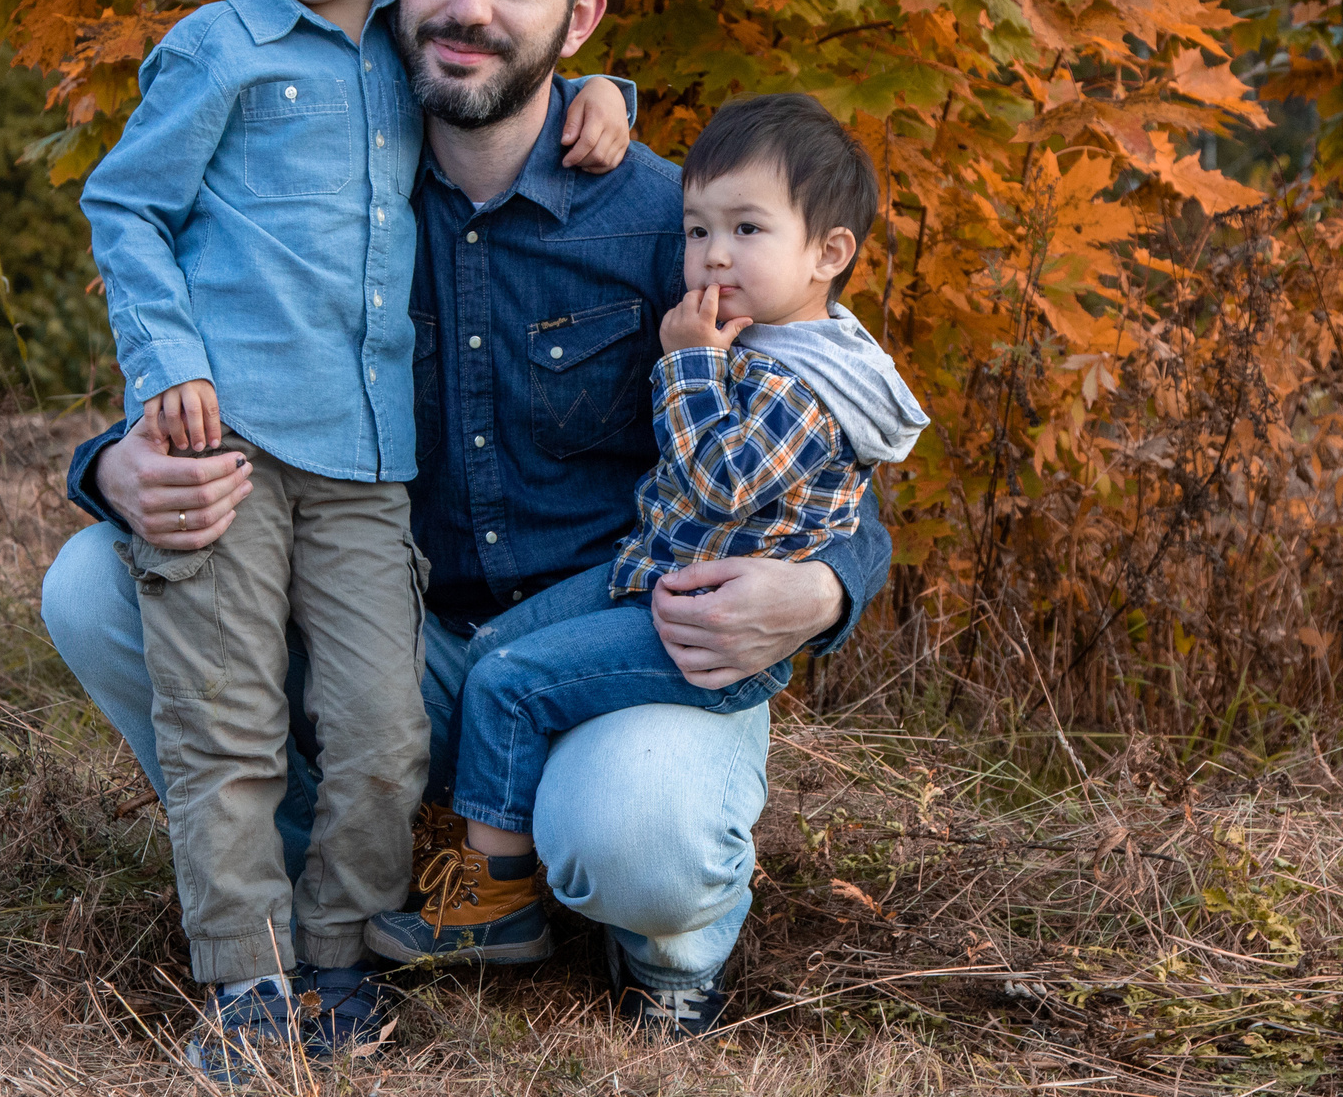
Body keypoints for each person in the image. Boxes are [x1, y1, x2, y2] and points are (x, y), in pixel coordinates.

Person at [44, 0, 890, 1041]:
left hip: (612, 641)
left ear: (578, 16)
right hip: (397, 638)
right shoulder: (318, 181)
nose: (469, 9)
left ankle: (655, 947)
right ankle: (340, 900)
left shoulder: (670, 221)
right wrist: (114, 466)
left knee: (637, 833)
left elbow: (823, 442)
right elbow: (213, 342)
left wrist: (820, 589)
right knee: (96, 581)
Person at [79, 0, 631, 1077]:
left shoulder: (401, 41)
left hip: (368, 465)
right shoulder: (216, 51)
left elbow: (500, 67)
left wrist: (607, 98)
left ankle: (341, 956)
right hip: (231, 446)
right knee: (226, 724)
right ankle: (246, 980)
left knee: (380, 731)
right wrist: (160, 375)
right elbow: (125, 205)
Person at [366, 93, 927, 963]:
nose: (713, 252)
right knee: (490, 659)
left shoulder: (803, 380)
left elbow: (724, 483)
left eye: (746, 230)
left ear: (830, 253)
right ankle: (483, 836)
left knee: (509, 680)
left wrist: (688, 362)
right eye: (699, 231)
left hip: (694, 623)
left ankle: (506, 904)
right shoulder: (760, 331)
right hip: (645, 574)